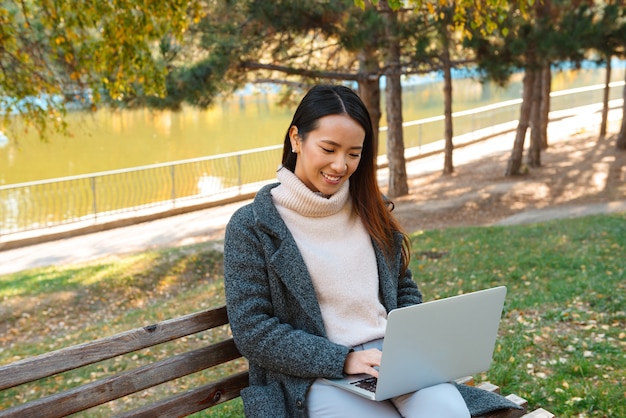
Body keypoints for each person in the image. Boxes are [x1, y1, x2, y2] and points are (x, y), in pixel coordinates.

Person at [223, 84, 471, 417]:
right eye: (329, 148)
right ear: (296, 138)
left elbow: (402, 287)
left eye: (353, 154)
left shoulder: (370, 208)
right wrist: (343, 360)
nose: (340, 165)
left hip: (393, 360)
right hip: (318, 374)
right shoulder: (252, 226)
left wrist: (410, 343)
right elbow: (254, 331)